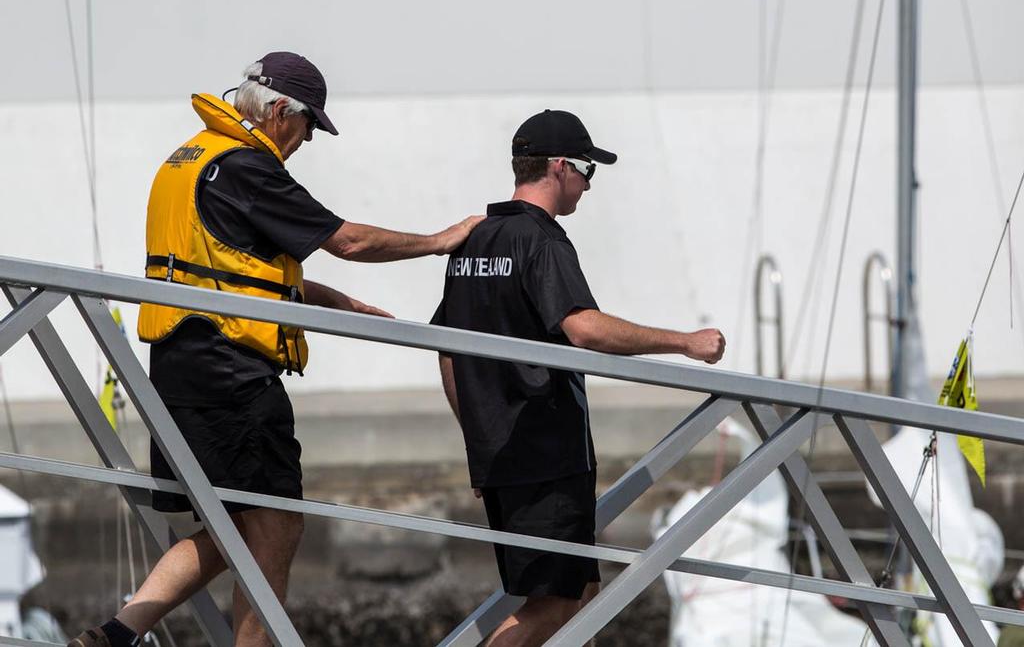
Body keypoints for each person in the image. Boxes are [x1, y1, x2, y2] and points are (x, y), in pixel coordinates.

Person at [68, 51, 482, 647]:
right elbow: (349, 240)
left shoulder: (189, 159)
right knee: (278, 524)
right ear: (282, 111)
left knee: (232, 523)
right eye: (310, 125)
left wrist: (329, 299)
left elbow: (222, 266)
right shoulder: (246, 168)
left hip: (180, 365)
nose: (308, 140)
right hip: (229, 371)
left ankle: (115, 633)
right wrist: (441, 241)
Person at [430, 109, 726, 646]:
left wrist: (479, 437)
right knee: (555, 606)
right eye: (588, 171)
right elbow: (584, 329)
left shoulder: (474, 242)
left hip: (503, 457)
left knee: (582, 596)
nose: (589, 186)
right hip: (545, 456)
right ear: (560, 167)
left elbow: (447, 353)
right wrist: (685, 343)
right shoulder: (542, 241)